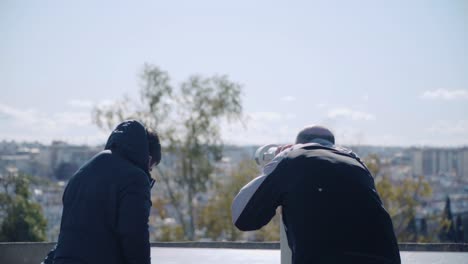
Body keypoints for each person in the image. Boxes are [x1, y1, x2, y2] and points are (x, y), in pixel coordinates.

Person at [232, 125, 401, 264]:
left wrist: (276, 164)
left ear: (298, 143)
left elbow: (243, 217)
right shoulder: (356, 163)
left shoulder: (292, 156)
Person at [43, 120, 161, 264]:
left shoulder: (82, 173)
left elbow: (70, 236)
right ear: (148, 160)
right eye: (151, 168)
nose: (148, 173)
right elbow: (135, 237)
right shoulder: (136, 179)